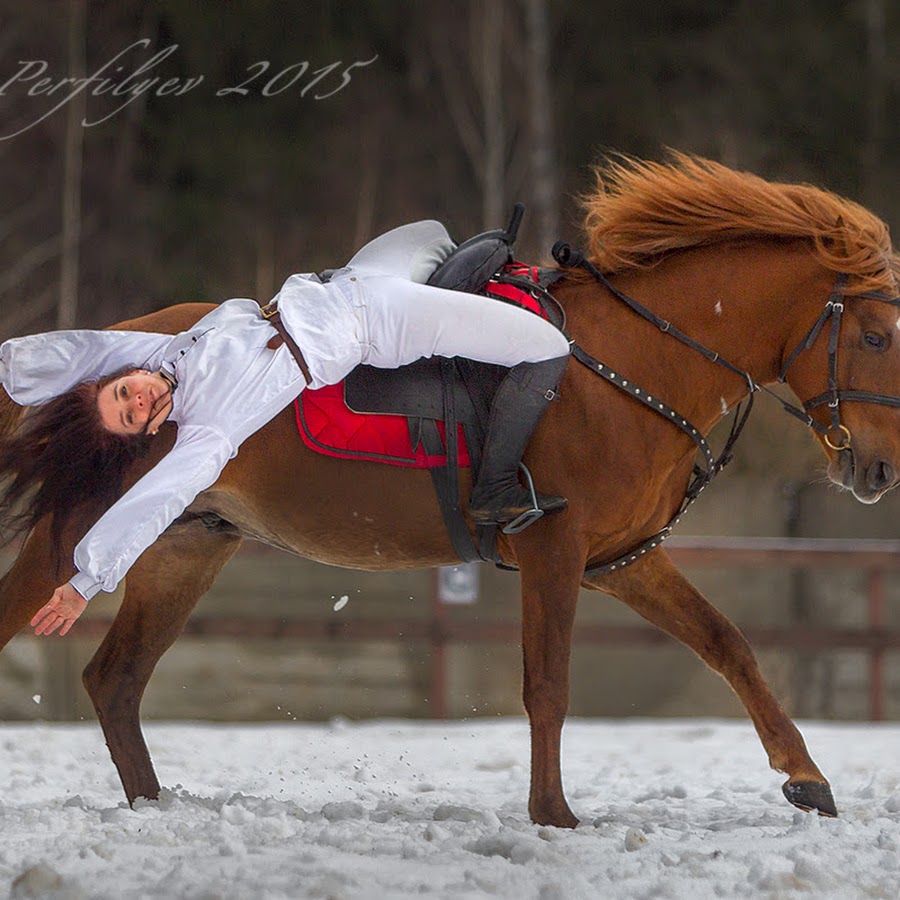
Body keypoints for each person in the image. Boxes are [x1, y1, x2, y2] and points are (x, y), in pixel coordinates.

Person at [0, 221, 570, 638]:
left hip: (349, 280)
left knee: (433, 231)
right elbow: (155, 499)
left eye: (124, 391)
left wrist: (10, 368)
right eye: (132, 415)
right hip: (380, 320)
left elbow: (87, 349)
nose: (138, 397)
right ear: (146, 430)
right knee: (547, 346)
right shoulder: (208, 429)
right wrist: (85, 581)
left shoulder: (166, 353)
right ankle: (497, 487)